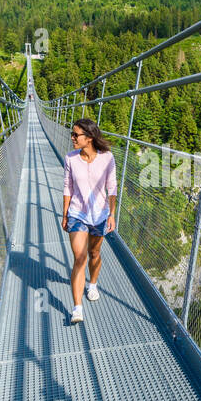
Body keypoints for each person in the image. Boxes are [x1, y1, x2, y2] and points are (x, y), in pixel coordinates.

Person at [61, 118, 117, 323]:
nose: (73, 138)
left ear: (90, 138)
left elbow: (112, 188)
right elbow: (68, 187)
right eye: (72, 134)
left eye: (76, 135)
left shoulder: (107, 158)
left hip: (100, 214)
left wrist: (111, 214)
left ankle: (92, 284)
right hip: (78, 214)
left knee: (94, 253)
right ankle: (77, 308)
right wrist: (65, 213)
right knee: (80, 258)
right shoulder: (70, 158)